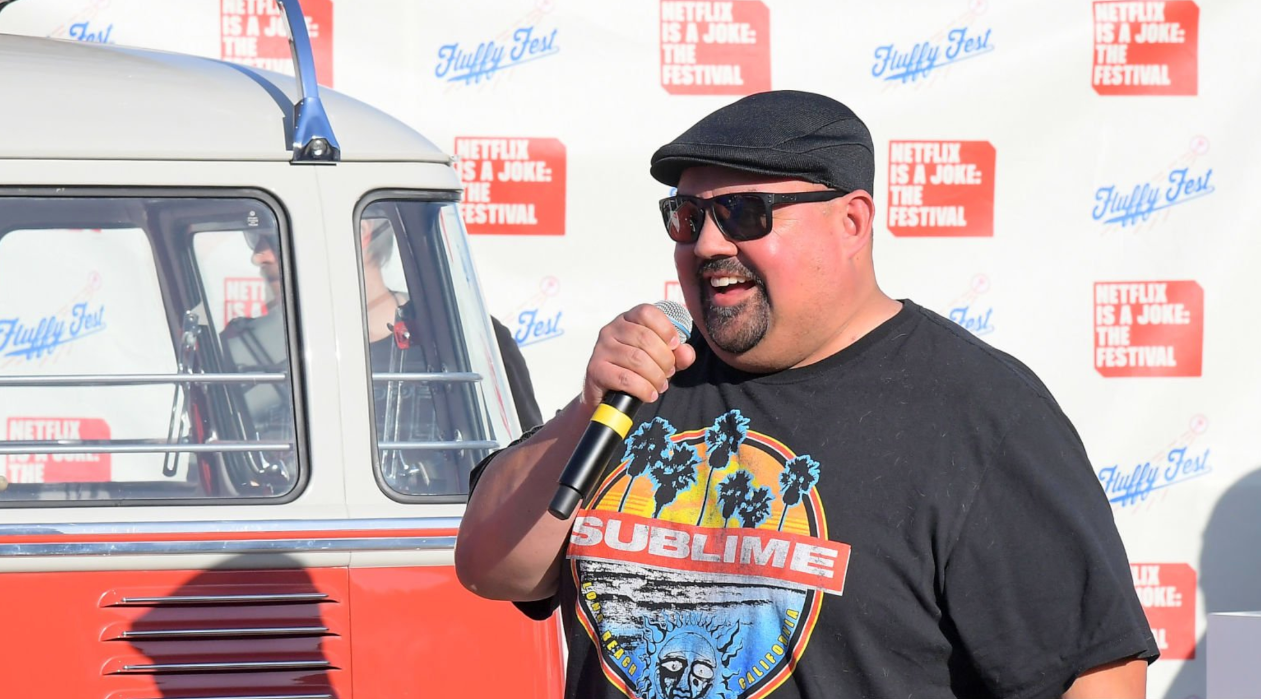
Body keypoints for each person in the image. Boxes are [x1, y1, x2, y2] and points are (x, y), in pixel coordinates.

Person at [456, 90, 1158, 699]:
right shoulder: (646, 380)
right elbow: (492, 568)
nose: (706, 244)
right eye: (687, 216)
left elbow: (1094, 675)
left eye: (744, 212)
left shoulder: (980, 414)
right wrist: (589, 408)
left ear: (851, 223)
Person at [225, 219, 542, 492]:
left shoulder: (469, 340)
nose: (259, 256)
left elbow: (530, 463)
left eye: (274, 234)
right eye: (255, 239)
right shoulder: (243, 351)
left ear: (360, 231)